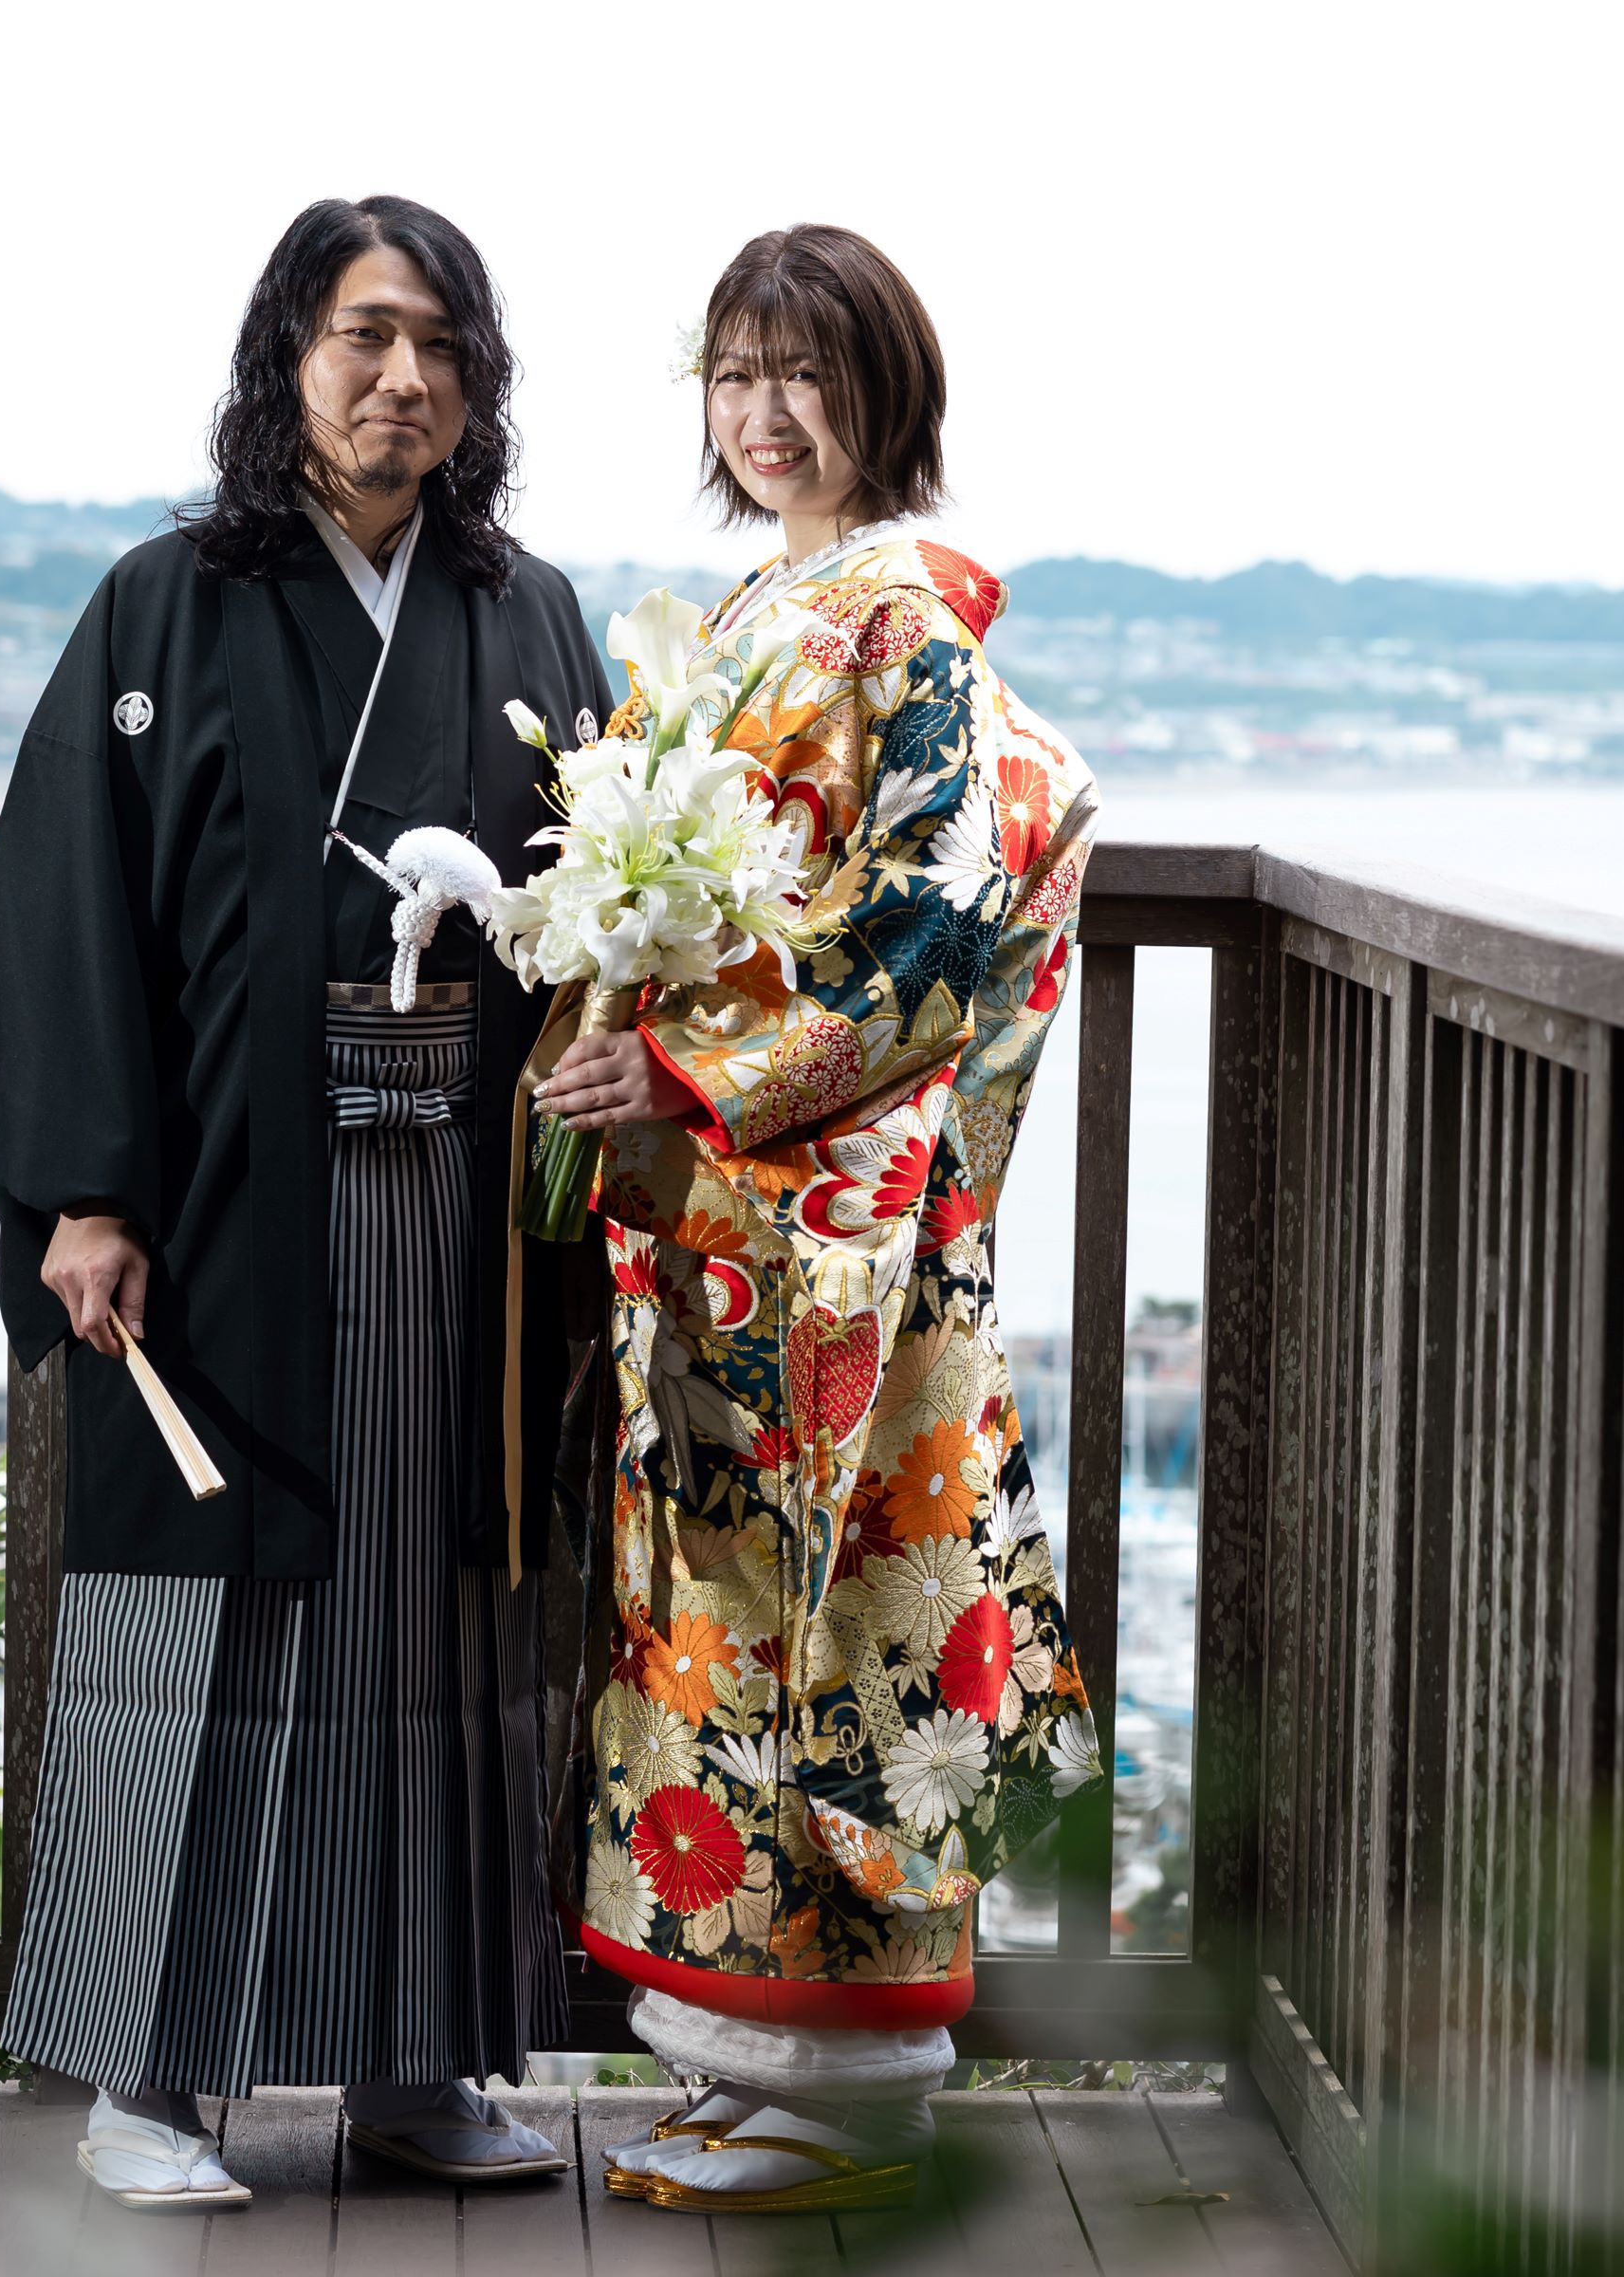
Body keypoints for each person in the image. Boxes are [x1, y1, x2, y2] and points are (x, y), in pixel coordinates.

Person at [0, 194, 611, 2210]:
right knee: (199, 1621)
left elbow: (600, 905)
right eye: (365, 336)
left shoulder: (530, 616)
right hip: (227, 1204)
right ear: (288, 357)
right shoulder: (165, 603)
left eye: (442, 347)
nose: (405, 380)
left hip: (463, 1210)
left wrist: (606, 1060)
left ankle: (416, 2061)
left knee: (439, 1620)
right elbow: (73, 905)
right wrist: (83, 1192)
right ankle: (149, 2082)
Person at [531, 223, 1107, 2214]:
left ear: (885, 393)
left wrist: (698, 1067)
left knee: (839, 1616)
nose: (763, 414)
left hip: (834, 1232)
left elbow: (938, 913)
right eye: (733, 372)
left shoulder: (898, 620)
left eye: (804, 372)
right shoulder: (759, 609)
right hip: (733, 1232)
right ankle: (741, 2054)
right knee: (714, 1624)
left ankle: (852, 2089)